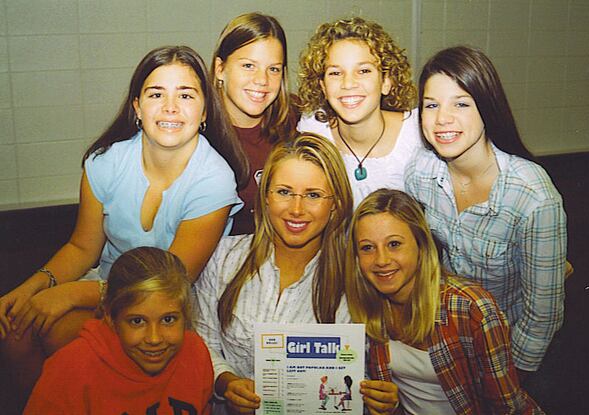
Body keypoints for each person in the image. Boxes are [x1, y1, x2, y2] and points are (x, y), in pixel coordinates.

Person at [0, 45, 243, 395]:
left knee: (57, 332)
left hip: (170, 304)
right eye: (156, 93)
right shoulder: (104, 163)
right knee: (15, 326)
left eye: (186, 95)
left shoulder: (216, 178)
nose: (171, 107)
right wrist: (30, 289)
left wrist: (70, 295)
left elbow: (169, 279)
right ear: (137, 108)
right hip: (103, 287)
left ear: (205, 111)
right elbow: (82, 247)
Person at [405, 46, 567, 377]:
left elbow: (543, 314)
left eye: (461, 104)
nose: (443, 119)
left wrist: (507, 380)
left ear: (487, 108)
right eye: (431, 105)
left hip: (507, 348)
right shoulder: (420, 173)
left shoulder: (532, 196)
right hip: (447, 337)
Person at [195, 133, 353, 414]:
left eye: (313, 195)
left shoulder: (354, 282)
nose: (296, 209)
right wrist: (226, 382)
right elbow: (203, 338)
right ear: (266, 197)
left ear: (335, 205)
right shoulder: (223, 257)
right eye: (283, 192)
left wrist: (379, 395)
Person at [346, 189, 542, 415]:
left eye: (394, 244)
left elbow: (507, 408)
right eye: (367, 248)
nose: (381, 260)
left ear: (421, 245)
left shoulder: (472, 309)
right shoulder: (364, 309)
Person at [24, 246, 213, 415]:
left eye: (168, 319)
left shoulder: (195, 352)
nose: (154, 338)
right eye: (137, 321)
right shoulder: (70, 369)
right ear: (110, 317)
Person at [297, 17, 421, 208]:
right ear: (322, 86)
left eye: (363, 71)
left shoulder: (417, 134)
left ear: (386, 82)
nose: (348, 84)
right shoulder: (314, 131)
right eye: (335, 73)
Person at [212, 12, 298, 234]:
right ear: (220, 68)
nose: (262, 80)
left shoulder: (294, 122)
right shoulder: (198, 133)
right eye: (249, 66)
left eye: (274, 69)